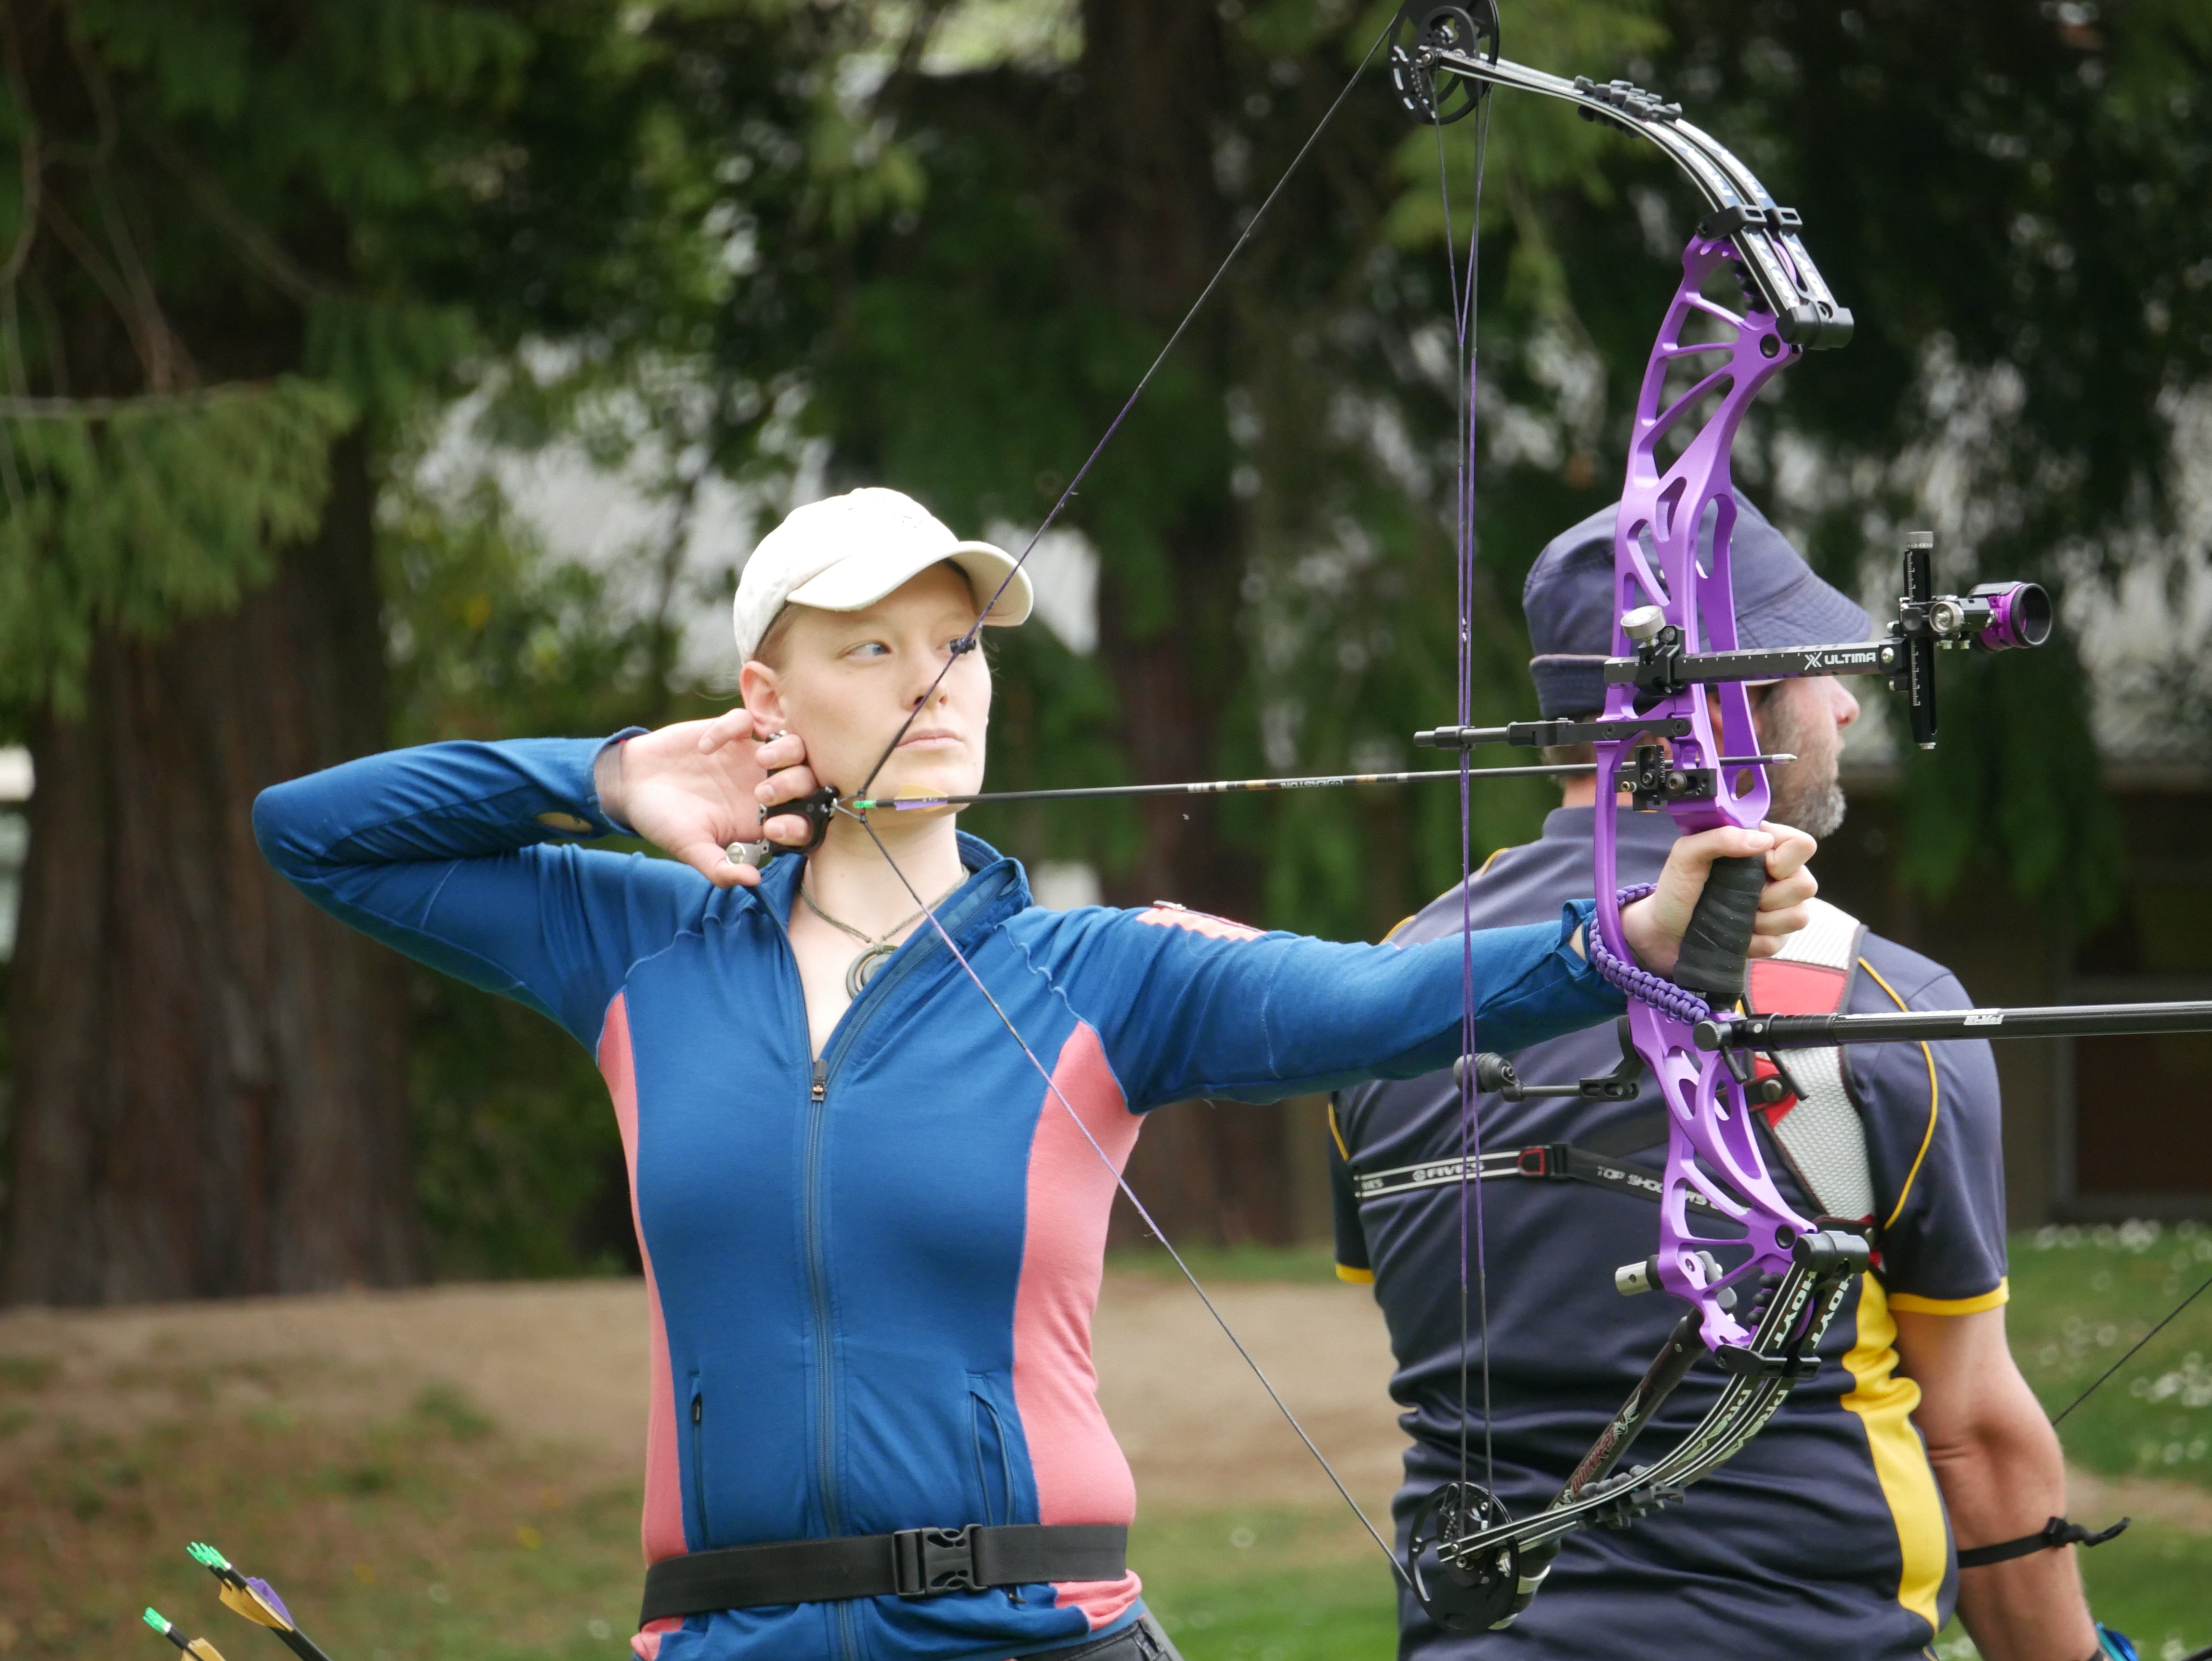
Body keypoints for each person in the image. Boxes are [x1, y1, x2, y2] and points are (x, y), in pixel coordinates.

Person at [252, 487, 1817, 1661]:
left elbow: (1390, 998)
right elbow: (308, 828)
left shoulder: (1099, 972)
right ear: (766, 699)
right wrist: (600, 773)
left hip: (1034, 1629)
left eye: (955, 644)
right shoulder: (635, 949)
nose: (937, 682)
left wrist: (1630, 931)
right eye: (871, 648)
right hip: (724, 1633)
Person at [1330, 493, 2125, 1661]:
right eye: (1814, 667)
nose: (1849, 701)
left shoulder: (1390, 990)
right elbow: (1975, 1441)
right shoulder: (1874, 1000)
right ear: (1723, 700)